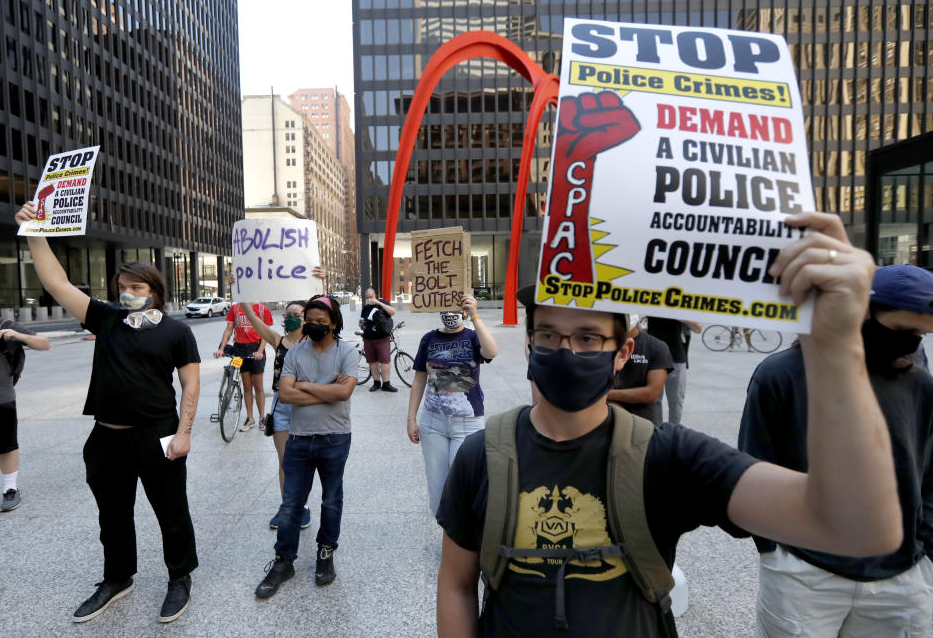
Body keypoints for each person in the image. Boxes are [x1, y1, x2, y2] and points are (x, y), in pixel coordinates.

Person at [435, 212, 903, 637]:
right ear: (530, 345)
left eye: (587, 337)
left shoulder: (667, 456)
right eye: (549, 335)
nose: (566, 351)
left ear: (622, 353)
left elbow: (860, 529)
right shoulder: (483, 456)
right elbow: (456, 585)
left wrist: (838, 344)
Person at [15, 202, 200, 624]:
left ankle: (180, 577)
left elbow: (191, 383)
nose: (127, 292)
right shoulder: (107, 319)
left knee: (171, 510)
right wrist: (35, 231)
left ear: (154, 290)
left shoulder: (176, 331)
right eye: (122, 285)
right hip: (106, 437)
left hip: (158, 433)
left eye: (136, 286)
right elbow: (58, 283)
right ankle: (117, 578)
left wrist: (184, 432)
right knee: (112, 514)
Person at [738, 263, 933, 637]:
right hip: (804, 574)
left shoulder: (920, 385)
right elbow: (753, 464)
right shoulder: (781, 375)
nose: (913, 342)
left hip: (901, 579)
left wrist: (925, 556)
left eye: (921, 334)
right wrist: (776, 551)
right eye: (904, 330)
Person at [255, 295, 360, 598]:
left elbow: (345, 392)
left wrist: (304, 385)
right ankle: (283, 561)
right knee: (291, 505)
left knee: (331, 500)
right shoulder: (294, 353)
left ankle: (325, 554)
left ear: (334, 324)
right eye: (309, 321)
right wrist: (329, 390)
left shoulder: (347, 352)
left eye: (320, 322)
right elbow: (285, 395)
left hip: (335, 437)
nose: (313, 326)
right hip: (299, 439)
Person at [407, 295, 498, 515]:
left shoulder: (473, 337)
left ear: (464, 311)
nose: (450, 314)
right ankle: (447, 538)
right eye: (445, 307)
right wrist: (411, 419)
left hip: (468, 423)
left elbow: (492, 352)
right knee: (437, 486)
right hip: (433, 424)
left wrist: (475, 315)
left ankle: (464, 540)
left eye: (456, 308)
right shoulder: (429, 338)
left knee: (466, 484)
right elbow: (419, 379)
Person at [0, 286, 49, 510]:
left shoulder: (4, 327)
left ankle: (10, 489)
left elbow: (44, 343)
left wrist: (18, 335)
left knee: (6, 447)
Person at [214, 299, 272, 431]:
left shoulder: (263, 309)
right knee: (246, 386)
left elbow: (265, 334)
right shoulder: (235, 308)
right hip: (239, 348)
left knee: (258, 386)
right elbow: (228, 330)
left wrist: (260, 351)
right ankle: (250, 418)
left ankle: (262, 418)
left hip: (256, 349)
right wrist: (221, 348)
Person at [605, 315, 673, 423]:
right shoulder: (602, 342)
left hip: (642, 420)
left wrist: (606, 394)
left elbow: (652, 392)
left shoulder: (656, 347)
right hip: (603, 419)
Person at [647, 317, 702, 423]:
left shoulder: (679, 308)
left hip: (676, 357)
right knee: (654, 400)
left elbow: (698, 328)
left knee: (676, 401)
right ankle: (657, 433)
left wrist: (683, 319)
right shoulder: (652, 306)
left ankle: (673, 432)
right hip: (653, 357)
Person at [360, 288, 397, 392]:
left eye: (371, 297)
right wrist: (361, 323)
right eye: (367, 298)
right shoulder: (365, 308)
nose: (369, 299)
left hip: (382, 338)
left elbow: (392, 311)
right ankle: (376, 383)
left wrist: (378, 303)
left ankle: (386, 384)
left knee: (385, 361)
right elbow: (361, 320)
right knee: (373, 362)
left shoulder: (382, 303)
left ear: (375, 295)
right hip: (368, 338)